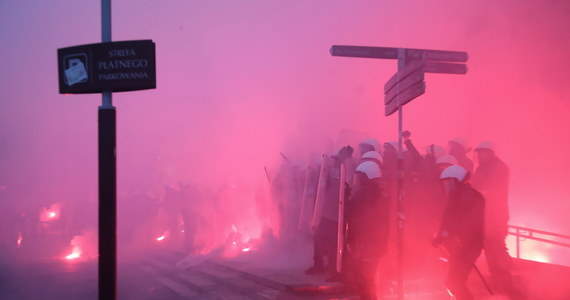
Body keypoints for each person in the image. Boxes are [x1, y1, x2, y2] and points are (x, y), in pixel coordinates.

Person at [472, 141, 522, 298]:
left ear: (490, 153)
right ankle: (499, 284)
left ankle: (508, 287)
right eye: (478, 153)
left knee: (497, 250)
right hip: (485, 216)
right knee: (491, 251)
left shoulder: (499, 168)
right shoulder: (483, 167)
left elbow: (491, 190)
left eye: (482, 153)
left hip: (495, 216)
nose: (479, 156)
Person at [433, 165, 485, 300]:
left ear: (458, 180)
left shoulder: (466, 197)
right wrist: (442, 235)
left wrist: (444, 235)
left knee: (454, 282)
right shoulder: (458, 196)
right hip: (463, 245)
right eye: (445, 184)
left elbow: (461, 221)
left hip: (468, 245)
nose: (446, 187)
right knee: (454, 282)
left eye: (449, 182)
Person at [345, 161, 389, 300]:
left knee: (365, 276)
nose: (357, 180)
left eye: (360, 177)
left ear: (367, 177)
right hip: (369, 241)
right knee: (364, 275)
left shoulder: (367, 193)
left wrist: (346, 196)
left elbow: (354, 212)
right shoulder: (376, 192)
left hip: (368, 241)